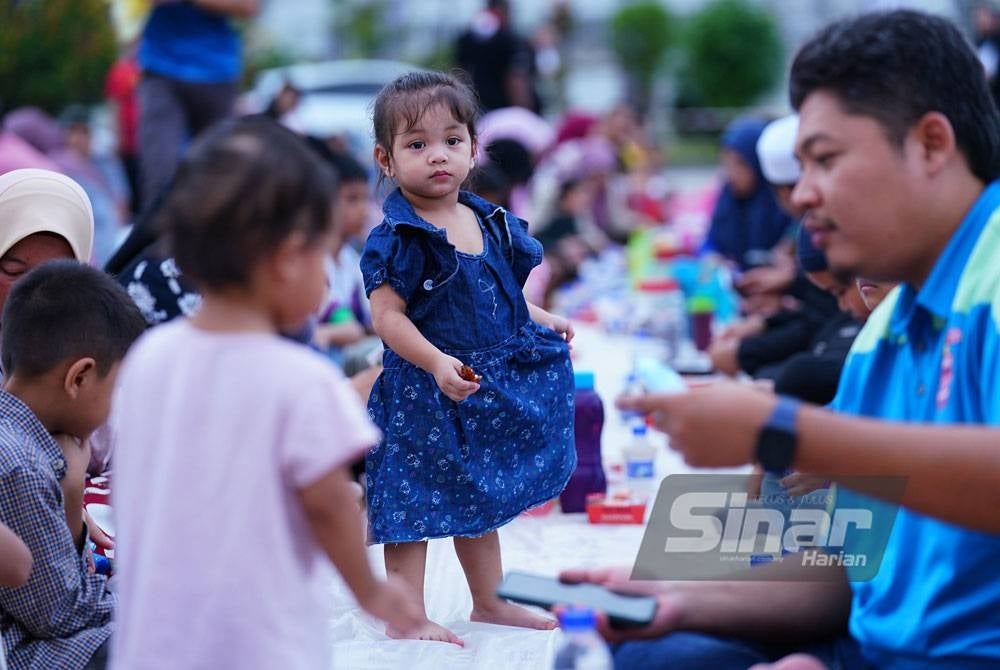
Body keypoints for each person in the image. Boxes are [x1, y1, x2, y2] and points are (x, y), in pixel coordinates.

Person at [566, 9, 1000, 669]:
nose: (802, 196)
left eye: (824, 159)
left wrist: (780, 430)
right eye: (798, 168)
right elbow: (849, 562)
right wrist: (681, 597)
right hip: (876, 647)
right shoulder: (886, 324)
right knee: (642, 650)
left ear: (932, 144)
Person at [108, 116, 423, 670]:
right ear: (287, 259)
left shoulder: (145, 360)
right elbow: (329, 504)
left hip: (150, 643)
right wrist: (371, 592)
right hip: (257, 644)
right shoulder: (298, 377)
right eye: (325, 256)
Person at [362, 71, 576, 645]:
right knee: (412, 501)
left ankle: (490, 600)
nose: (438, 156)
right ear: (386, 160)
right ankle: (405, 613)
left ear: (474, 149)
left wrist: (541, 317)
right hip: (421, 393)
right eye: (417, 145)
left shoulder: (485, 219)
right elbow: (388, 319)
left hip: (479, 384)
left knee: (477, 493)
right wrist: (433, 361)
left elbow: (501, 291)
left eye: (451, 141)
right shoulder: (398, 238)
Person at [0, 261, 146, 670]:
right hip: (35, 652)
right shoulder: (18, 464)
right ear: (79, 378)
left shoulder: (30, 444)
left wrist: (72, 491)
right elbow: (58, 614)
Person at [136, 0, 259, 211]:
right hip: (161, 67)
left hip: (216, 72)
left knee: (218, 175)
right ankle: (159, 241)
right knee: (160, 175)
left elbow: (248, 6)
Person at [704, 117, 796, 273]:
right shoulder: (728, 199)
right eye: (726, 162)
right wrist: (712, 258)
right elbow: (710, 243)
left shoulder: (784, 202)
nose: (731, 172)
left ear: (758, 162)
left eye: (740, 163)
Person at [454, 0, 538, 112]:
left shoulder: (467, 38)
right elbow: (517, 82)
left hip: (477, 111)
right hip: (505, 113)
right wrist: (524, 115)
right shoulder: (512, 40)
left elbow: (458, 75)